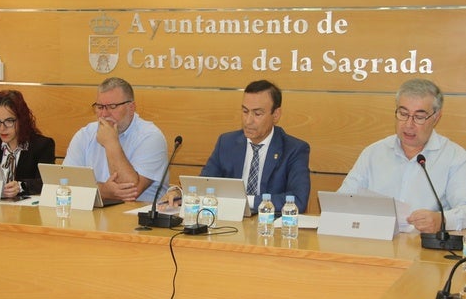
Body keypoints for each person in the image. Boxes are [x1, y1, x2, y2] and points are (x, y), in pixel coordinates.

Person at [338, 78, 466, 232]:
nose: (408, 124)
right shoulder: (374, 153)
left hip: (424, 249)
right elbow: (343, 201)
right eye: (403, 113)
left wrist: (442, 220)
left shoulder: (455, 157)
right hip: (374, 244)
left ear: (436, 117)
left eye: (419, 117)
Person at [165, 80, 311, 214]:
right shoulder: (227, 142)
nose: (248, 121)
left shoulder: (294, 149)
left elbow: (298, 200)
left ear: (276, 115)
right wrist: (181, 194)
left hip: (271, 229)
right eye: (245, 111)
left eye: (257, 114)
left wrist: (247, 200)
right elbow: (205, 183)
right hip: (228, 224)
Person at [63, 77, 168, 203]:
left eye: (112, 107)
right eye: (100, 107)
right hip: (94, 216)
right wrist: (103, 191)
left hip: (137, 218)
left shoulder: (151, 137)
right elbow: (65, 184)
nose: (104, 114)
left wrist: (111, 143)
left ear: (131, 107)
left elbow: (131, 190)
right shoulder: (85, 135)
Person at [0, 90, 56, 197]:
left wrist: (20, 186)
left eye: (9, 121)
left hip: (26, 210)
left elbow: (45, 182)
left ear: (21, 120)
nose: (2, 128)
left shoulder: (42, 145)